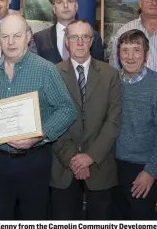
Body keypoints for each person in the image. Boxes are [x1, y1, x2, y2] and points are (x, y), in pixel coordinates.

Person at [0, 14, 76, 220]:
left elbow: (67, 109)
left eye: (17, 35)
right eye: (5, 36)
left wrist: (39, 135)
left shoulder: (46, 70)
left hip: (33, 162)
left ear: (28, 37)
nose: (10, 42)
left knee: (33, 216)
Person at [49, 20, 121, 220]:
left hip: (100, 165)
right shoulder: (52, 73)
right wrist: (73, 159)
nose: (79, 42)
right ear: (66, 41)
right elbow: (50, 119)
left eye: (85, 37)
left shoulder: (110, 74)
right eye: (74, 37)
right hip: (63, 166)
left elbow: (113, 121)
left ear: (92, 41)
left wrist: (90, 157)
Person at [111, 29, 157, 220]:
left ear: (146, 55)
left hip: (142, 168)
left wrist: (151, 172)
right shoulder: (112, 81)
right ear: (118, 55)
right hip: (112, 167)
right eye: (125, 50)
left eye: (136, 50)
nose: (130, 56)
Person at [34, 0, 104, 64]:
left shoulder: (93, 35)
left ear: (76, 6)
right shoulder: (39, 38)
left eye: (70, 1)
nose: (65, 6)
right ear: (54, 9)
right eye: (60, 2)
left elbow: (99, 70)